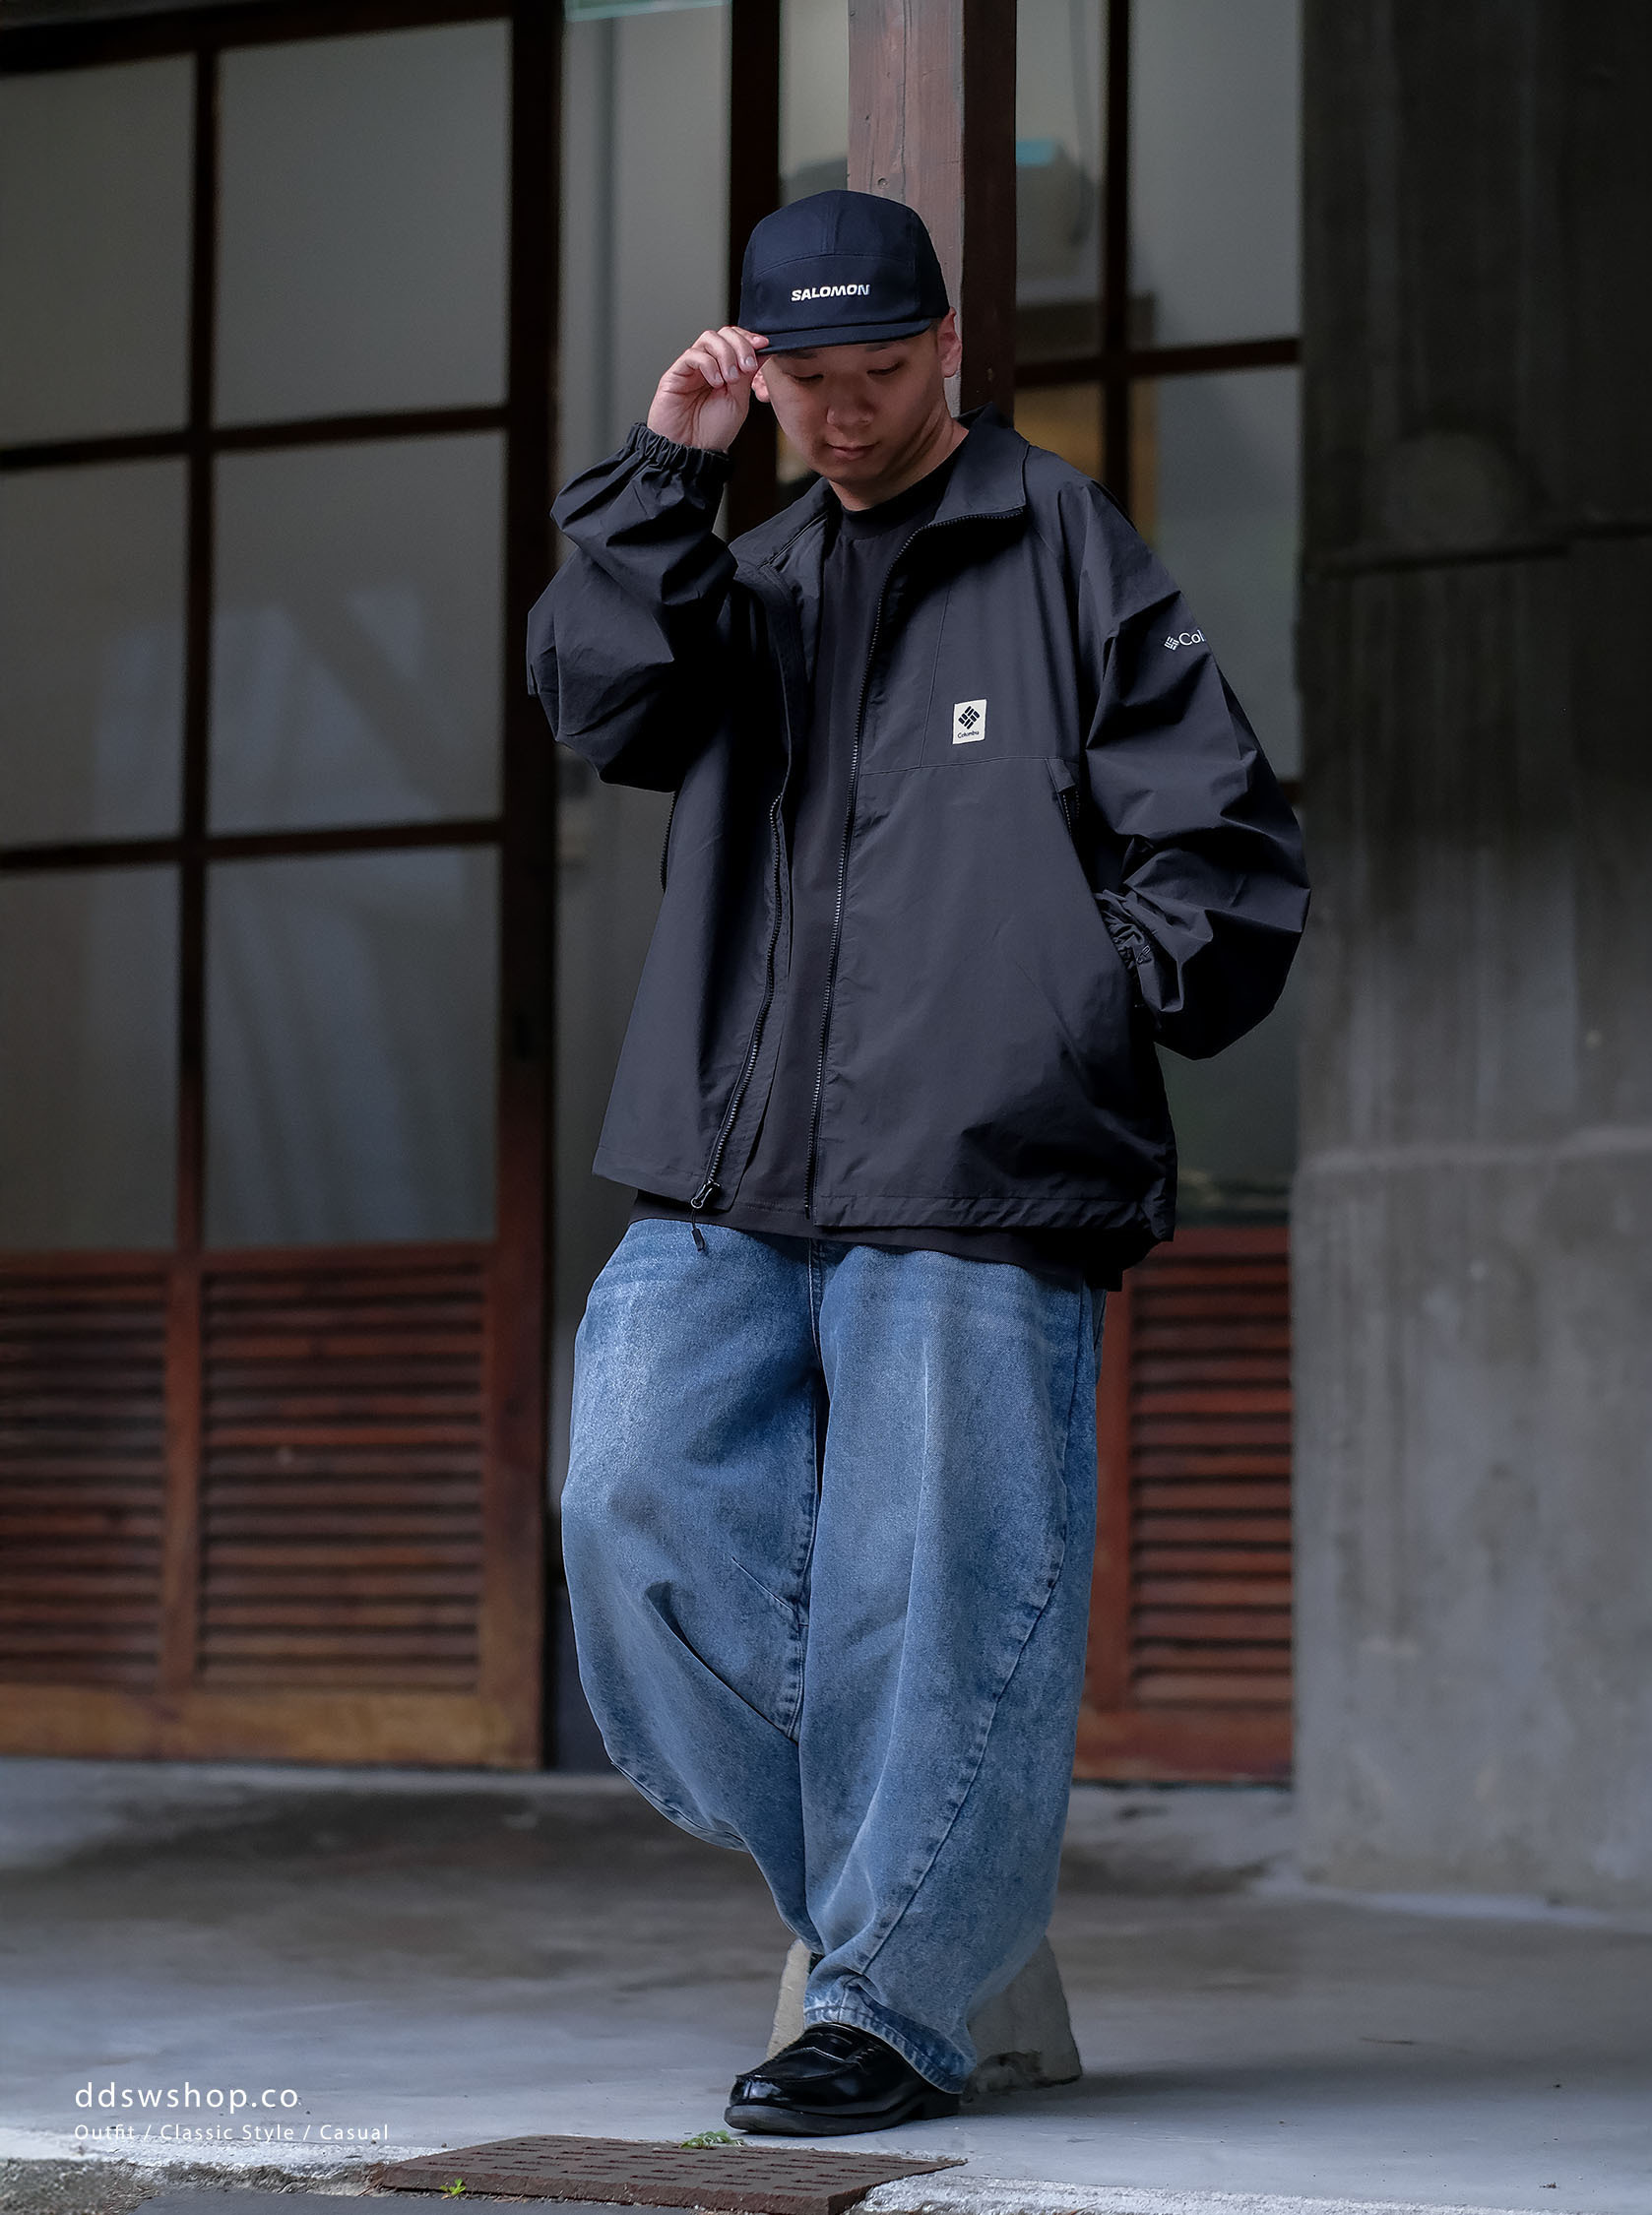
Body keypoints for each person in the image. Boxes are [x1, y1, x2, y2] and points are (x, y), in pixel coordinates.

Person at [527, 190, 1307, 2136]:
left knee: (939, 1583)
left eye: (881, 372)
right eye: (807, 385)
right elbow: (600, 701)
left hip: (980, 1165)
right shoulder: (745, 571)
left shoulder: (1064, 546)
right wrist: (666, 471)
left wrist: (1062, 1008)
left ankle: (888, 2001)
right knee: (628, 1507)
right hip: (729, 1160)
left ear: (947, 349)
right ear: (758, 374)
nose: (846, 415)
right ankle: (900, 1916)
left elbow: (1221, 847)